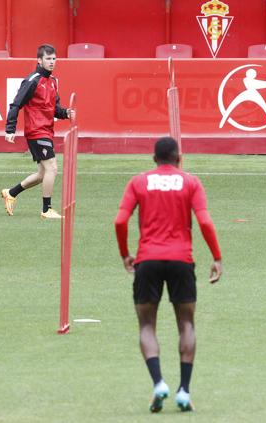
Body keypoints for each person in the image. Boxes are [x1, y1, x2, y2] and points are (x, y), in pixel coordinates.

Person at [114, 137, 223, 412]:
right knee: (186, 324)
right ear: (179, 158)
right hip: (181, 260)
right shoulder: (191, 182)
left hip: (147, 260)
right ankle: (184, 391)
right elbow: (205, 221)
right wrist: (217, 257)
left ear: (154, 159)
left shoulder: (138, 182)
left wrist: (125, 253)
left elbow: (120, 220)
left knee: (147, 326)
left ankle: (158, 382)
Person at [1, 44, 75, 219]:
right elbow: (16, 104)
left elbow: (54, 108)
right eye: (48, 59)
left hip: (47, 130)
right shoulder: (32, 80)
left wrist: (66, 113)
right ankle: (46, 210)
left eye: (53, 59)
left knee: (43, 174)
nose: (51, 62)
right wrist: (10, 129)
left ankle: (10, 193)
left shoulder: (54, 81)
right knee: (52, 168)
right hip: (36, 130)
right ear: (39, 60)